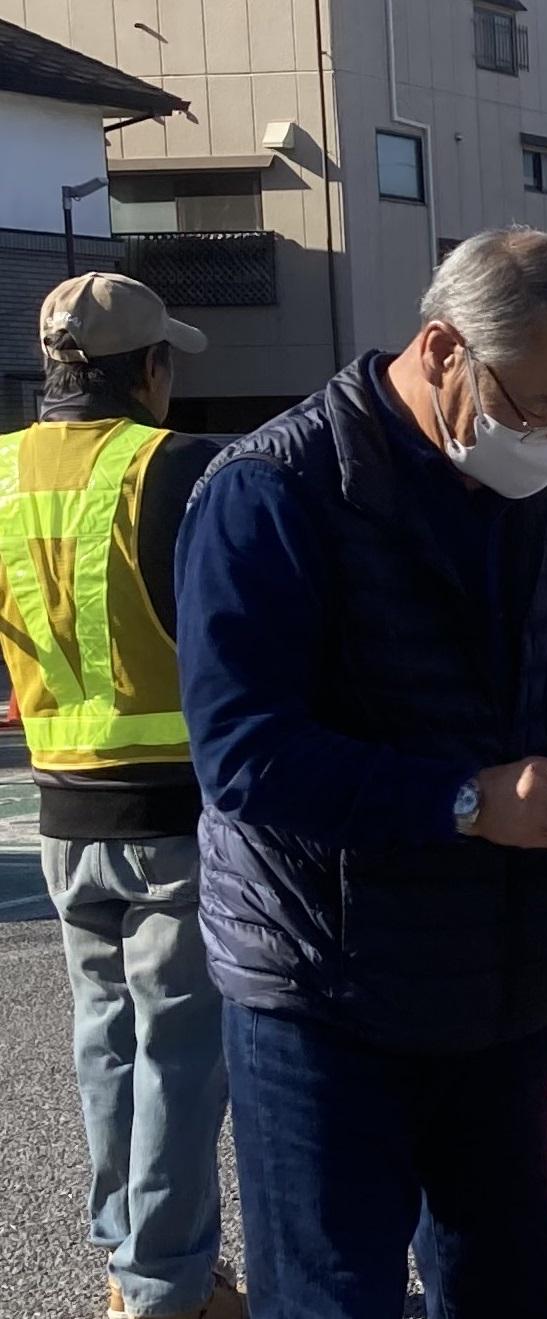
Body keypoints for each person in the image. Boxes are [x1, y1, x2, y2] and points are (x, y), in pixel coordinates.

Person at [174, 228, 547, 1319]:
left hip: (503, 983)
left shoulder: (535, 490)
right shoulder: (271, 489)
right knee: (336, 1293)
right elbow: (244, 753)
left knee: (511, 1284)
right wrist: (469, 802)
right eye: (539, 409)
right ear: (441, 350)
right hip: (324, 985)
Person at [0, 275, 242, 1319]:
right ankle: (162, 1284)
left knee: (106, 1040)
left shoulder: (3, 472)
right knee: (181, 1053)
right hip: (177, 813)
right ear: (149, 370)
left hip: (59, 806)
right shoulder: (179, 466)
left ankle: (132, 1261)